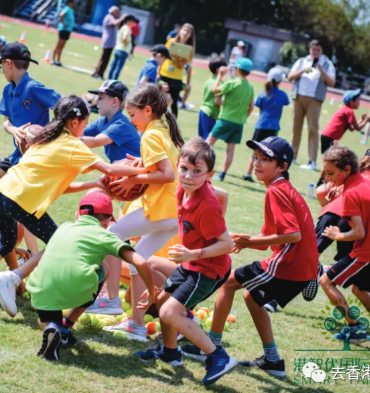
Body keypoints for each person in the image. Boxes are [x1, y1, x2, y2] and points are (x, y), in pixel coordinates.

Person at [0, 96, 147, 305]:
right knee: (58, 244)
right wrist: (146, 169)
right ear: (74, 122)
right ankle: (11, 278)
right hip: (21, 199)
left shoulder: (46, 138)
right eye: (84, 123)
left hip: (3, 191)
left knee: (6, 241)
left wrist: (91, 184)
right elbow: (110, 169)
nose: (84, 128)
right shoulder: (73, 145)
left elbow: (55, 187)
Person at [182, 136, 318, 378]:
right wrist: (248, 241)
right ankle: (273, 361)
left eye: (266, 159)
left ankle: (210, 345)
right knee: (251, 297)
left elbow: (293, 235)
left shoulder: (276, 191)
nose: (257, 163)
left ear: (282, 167)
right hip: (298, 263)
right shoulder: (280, 189)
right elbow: (272, 234)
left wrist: (250, 241)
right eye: (256, 157)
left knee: (228, 283)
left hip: (289, 264)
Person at [133, 138, 236, 385]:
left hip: (208, 269)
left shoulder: (207, 205)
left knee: (169, 312)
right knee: (163, 302)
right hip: (192, 265)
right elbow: (223, 194)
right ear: (177, 165)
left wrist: (193, 254)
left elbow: (227, 244)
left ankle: (218, 356)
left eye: (197, 171)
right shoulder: (183, 189)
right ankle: (170, 354)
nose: (189, 176)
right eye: (184, 169)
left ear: (209, 174)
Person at [25, 191, 155, 361]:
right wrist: (151, 293)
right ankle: (65, 327)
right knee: (105, 268)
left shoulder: (63, 227)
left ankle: (55, 327)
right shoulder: (105, 235)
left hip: (39, 288)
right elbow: (141, 262)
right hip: (77, 288)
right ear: (108, 220)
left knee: (47, 320)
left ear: (78, 214)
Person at [100, 83, 184, 341]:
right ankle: (137, 326)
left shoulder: (150, 135)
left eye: (133, 114)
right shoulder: (163, 128)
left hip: (161, 209)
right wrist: (142, 165)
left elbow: (167, 175)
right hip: (173, 213)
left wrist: (133, 179)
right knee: (138, 262)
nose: (130, 120)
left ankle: (111, 298)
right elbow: (165, 166)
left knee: (111, 235)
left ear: (148, 110)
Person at [319, 145, 370, 345]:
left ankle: (355, 328)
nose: (328, 179)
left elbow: (358, 232)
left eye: (331, 174)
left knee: (326, 282)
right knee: (359, 289)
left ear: (347, 170)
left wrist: (337, 235)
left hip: (368, 250)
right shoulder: (363, 182)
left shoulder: (352, 191)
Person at [315, 147, 370, 268]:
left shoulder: (348, 175)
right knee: (343, 265)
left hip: (330, 212)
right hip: (351, 220)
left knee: (311, 253)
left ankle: (303, 278)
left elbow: (323, 196)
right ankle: (324, 272)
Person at [0, 42, 61, 168]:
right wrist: (14, 130)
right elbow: (6, 121)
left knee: (8, 185)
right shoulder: (8, 90)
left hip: (37, 155)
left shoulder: (33, 87)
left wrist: (50, 131)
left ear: (8, 63)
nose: (1, 68)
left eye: (0, 64)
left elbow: (65, 106)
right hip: (20, 151)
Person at [288, 39, 336, 170]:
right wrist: (303, 70)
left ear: (321, 51)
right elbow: (290, 76)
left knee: (312, 129)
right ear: (310, 50)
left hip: (315, 99)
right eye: (313, 49)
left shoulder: (327, 63)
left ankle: (312, 161)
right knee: (295, 128)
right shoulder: (302, 61)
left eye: (318, 50)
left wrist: (321, 70)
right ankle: (292, 156)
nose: (315, 52)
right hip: (298, 97)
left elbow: (332, 82)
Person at [205, 58, 255, 182]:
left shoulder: (233, 83)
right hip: (239, 122)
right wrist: (244, 116)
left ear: (237, 69)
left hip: (225, 119)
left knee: (208, 142)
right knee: (230, 149)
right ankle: (222, 174)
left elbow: (214, 90)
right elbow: (251, 106)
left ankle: (198, 165)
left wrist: (220, 76)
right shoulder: (250, 87)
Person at [315, 89, 370, 186]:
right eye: (358, 100)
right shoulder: (349, 111)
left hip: (327, 136)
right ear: (351, 101)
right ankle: (320, 184)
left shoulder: (346, 110)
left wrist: (362, 119)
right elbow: (357, 128)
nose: (360, 102)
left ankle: (321, 183)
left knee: (329, 161)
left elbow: (351, 128)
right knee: (329, 162)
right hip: (330, 137)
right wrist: (367, 120)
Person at [243, 67, 290, 182]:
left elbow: (260, 108)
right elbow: (285, 103)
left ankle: (248, 174)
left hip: (260, 125)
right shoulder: (282, 94)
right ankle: (267, 176)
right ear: (279, 81)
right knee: (269, 155)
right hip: (273, 127)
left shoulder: (263, 94)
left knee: (256, 153)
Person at [81, 80, 141, 163]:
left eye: (100, 98)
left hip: (138, 172)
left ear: (114, 102)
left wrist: (66, 140)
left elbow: (95, 142)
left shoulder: (122, 124)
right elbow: (80, 134)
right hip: (123, 170)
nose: (96, 102)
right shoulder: (102, 121)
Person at [160, 23, 196, 117]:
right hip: (164, 73)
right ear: (180, 31)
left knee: (174, 101)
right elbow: (162, 57)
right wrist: (158, 70)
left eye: (188, 32)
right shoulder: (171, 41)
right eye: (184, 30)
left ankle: (173, 125)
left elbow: (186, 64)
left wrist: (182, 61)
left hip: (176, 77)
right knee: (159, 98)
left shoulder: (190, 49)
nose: (185, 33)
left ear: (190, 35)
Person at [92, 6, 127, 80]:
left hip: (110, 41)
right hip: (108, 41)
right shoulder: (109, 17)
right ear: (113, 12)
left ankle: (96, 72)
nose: (118, 14)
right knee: (105, 59)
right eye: (117, 12)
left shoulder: (111, 17)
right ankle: (99, 73)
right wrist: (122, 18)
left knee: (103, 58)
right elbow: (114, 23)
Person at [198, 57, 227, 140]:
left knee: (202, 139)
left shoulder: (209, 80)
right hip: (210, 113)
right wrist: (228, 103)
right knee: (207, 140)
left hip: (203, 110)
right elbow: (217, 101)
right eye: (224, 68)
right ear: (218, 70)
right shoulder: (219, 83)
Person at [108, 15, 135, 80]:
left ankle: (109, 79)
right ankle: (114, 81)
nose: (133, 23)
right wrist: (126, 44)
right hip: (123, 50)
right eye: (132, 21)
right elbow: (124, 37)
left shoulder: (122, 27)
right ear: (128, 21)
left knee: (113, 65)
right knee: (118, 67)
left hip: (117, 48)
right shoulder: (127, 28)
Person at [52, 0, 75, 67]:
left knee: (62, 46)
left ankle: (58, 60)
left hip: (68, 30)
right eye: (72, 2)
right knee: (58, 45)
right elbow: (61, 15)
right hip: (63, 29)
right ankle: (53, 60)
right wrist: (62, 23)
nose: (73, 4)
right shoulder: (66, 8)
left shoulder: (71, 10)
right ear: (69, 3)